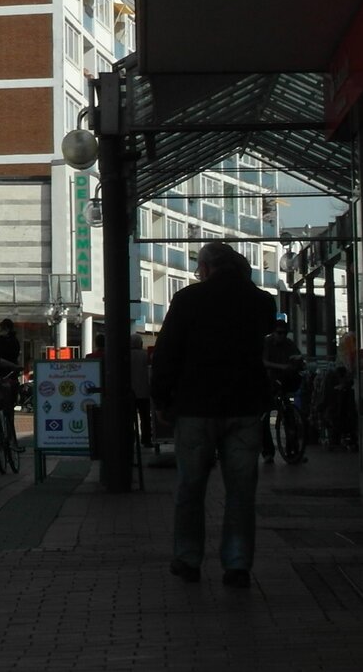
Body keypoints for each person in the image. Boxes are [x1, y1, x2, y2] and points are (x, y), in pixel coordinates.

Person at [151, 241, 277, 589]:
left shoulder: (189, 300)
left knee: (190, 487)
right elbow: (266, 319)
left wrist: (161, 398)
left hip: (196, 406)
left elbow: (167, 352)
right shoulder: (260, 301)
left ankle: (188, 558)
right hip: (244, 405)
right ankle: (237, 564)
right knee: (240, 490)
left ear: (205, 269)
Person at [261, 315, 305, 462]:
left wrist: (297, 362)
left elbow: (297, 355)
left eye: (284, 333)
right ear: (273, 332)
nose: (282, 336)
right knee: (264, 416)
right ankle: (268, 451)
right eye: (279, 333)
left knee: (288, 414)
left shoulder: (289, 343)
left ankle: (292, 449)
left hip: (284, 380)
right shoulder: (266, 343)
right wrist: (281, 366)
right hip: (269, 381)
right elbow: (264, 362)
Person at [129, 332, 155, 452]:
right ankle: (146, 439)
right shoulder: (145, 355)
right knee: (145, 418)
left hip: (130, 393)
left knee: (129, 418)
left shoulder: (125, 356)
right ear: (140, 343)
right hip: (144, 392)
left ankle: (131, 439)